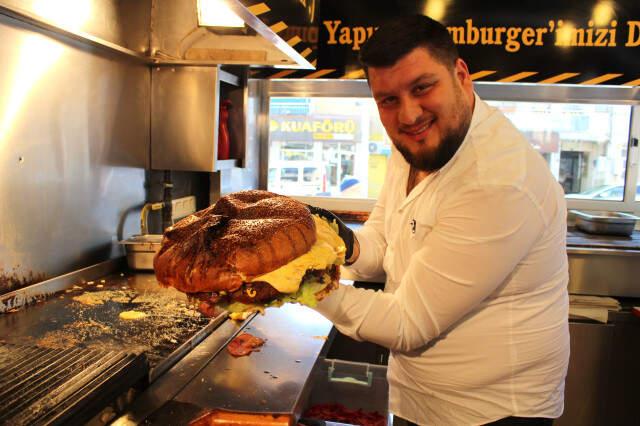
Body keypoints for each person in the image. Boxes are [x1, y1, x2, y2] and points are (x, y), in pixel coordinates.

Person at [309, 14, 569, 426]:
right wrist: (334, 241)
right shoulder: (417, 143)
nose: (409, 115)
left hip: (491, 412)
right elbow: (385, 241)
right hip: (420, 398)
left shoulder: (499, 180)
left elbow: (407, 323)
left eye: (422, 87)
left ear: (460, 75)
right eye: (388, 100)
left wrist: (289, 282)